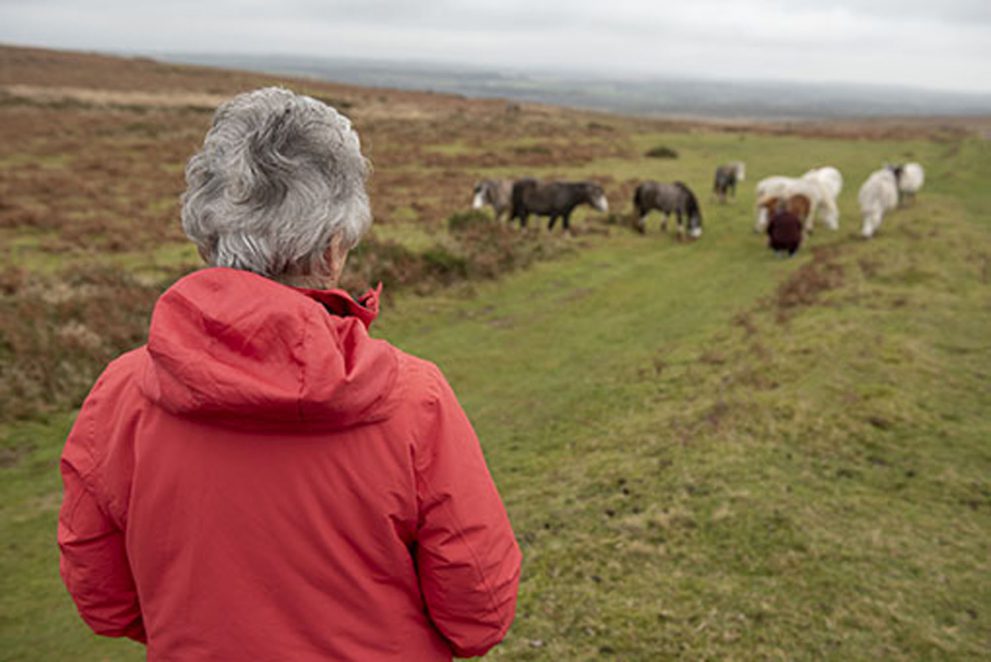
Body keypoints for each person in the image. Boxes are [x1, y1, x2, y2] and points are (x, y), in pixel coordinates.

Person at [57, 87, 521, 661]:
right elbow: (480, 613)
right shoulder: (414, 400)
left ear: (208, 235)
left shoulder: (121, 394)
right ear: (332, 249)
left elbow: (104, 599)